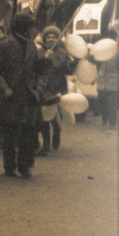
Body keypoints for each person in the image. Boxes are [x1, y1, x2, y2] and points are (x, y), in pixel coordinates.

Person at [0, 13, 45, 178]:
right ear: (23, 28)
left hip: (29, 94)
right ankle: (9, 166)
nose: (33, 30)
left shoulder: (32, 45)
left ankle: (24, 166)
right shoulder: (4, 44)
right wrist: (4, 88)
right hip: (11, 94)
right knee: (10, 132)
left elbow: (34, 69)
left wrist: (42, 66)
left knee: (28, 132)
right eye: (30, 27)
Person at [33, 25, 72, 156]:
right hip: (42, 87)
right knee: (43, 115)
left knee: (53, 114)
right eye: (48, 37)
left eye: (53, 37)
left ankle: (56, 130)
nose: (50, 39)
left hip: (56, 86)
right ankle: (46, 145)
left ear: (58, 38)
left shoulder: (63, 52)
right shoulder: (40, 51)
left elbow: (66, 70)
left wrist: (72, 64)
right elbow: (36, 67)